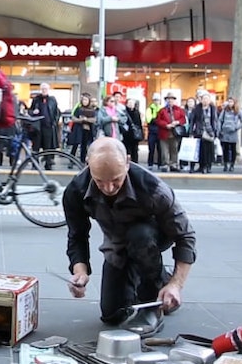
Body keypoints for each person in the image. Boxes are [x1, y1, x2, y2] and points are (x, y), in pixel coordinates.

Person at [63, 137, 196, 336]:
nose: (108, 188)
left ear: (127, 162)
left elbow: (186, 236)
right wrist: (80, 272)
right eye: (100, 181)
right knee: (112, 314)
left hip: (151, 236)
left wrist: (177, 284)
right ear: (88, 164)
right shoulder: (75, 191)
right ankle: (160, 279)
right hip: (117, 244)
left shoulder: (153, 188)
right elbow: (77, 236)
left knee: (139, 235)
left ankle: (152, 302)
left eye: (116, 179)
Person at [28, 83, 60, 164]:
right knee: (36, 146)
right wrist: (33, 112)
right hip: (37, 126)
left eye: (45, 89)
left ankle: (48, 163)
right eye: (42, 89)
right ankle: (35, 164)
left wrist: (54, 122)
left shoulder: (52, 100)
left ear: (48, 90)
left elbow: (57, 112)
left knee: (48, 146)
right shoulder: (36, 99)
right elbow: (30, 111)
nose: (44, 90)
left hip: (48, 126)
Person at [155, 93, 186, 172]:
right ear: (166, 100)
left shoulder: (179, 110)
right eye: (168, 99)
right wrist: (166, 125)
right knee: (164, 150)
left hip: (175, 133)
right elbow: (158, 121)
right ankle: (165, 164)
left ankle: (174, 164)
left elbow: (183, 119)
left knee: (174, 149)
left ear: (174, 100)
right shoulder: (162, 110)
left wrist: (177, 122)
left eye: (171, 99)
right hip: (164, 132)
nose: (170, 100)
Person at [189, 92, 218, 173]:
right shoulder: (197, 109)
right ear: (201, 100)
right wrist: (191, 132)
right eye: (204, 99)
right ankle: (198, 166)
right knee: (198, 150)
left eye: (207, 99)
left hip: (209, 132)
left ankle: (207, 166)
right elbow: (192, 121)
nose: (205, 101)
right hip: (199, 131)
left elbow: (215, 121)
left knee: (208, 150)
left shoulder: (212, 108)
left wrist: (215, 132)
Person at [216, 98, 242, 172]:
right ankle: (225, 164)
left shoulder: (238, 111)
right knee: (225, 149)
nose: (230, 103)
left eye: (231, 102)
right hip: (225, 132)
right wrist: (219, 129)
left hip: (233, 133)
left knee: (233, 149)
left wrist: (236, 127)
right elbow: (220, 120)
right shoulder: (224, 111)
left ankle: (232, 165)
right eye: (229, 101)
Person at [69, 93, 97, 163]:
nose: (85, 101)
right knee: (75, 144)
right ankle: (71, 159)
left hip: (87, 129)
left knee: (84, 145)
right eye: (83, 100)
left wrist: (86, 119)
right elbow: (73, 117)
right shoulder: (78, 108)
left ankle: (83, 160)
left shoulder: (92, 110)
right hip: (78, 128)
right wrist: (80, 120)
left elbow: (94, 119)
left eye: (86, 100)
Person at [145, 93, 163, 170]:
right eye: (155, 100)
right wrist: (158, 120)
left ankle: (160, 164)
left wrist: (155, 119)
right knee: (151, 148)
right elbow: (149, 120)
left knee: (160, 149)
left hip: (160, 131)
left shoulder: (162, 108)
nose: (156, 101)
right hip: (152, 132)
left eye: (158, 100)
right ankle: (150, 164)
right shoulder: (149, 109)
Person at [122, 98, 143, 164]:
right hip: (127, 133)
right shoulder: (124, 112)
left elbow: (139, 124)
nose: (131, 105)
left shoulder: (137, 112)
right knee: (127, 149)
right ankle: (127, 163)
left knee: (135, 150)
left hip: (135, 134)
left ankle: (135, 163)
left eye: (132, 103)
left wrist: (141, 133)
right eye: (129, 103)